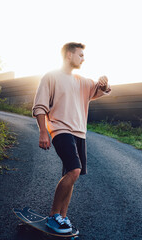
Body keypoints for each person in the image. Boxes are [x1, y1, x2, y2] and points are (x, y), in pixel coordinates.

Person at [32, 42, 111, 233]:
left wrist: (104, 82)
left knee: (71, 174)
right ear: (69, 55)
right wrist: (43, 131)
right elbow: (40, 106)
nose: (83, 59)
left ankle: (63, 217)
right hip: (60, 130)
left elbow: (102, 90)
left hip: (79, 133)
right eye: (80, 55)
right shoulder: (51, 77)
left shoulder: (82, 81)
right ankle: (53, 216)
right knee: (75, 170)